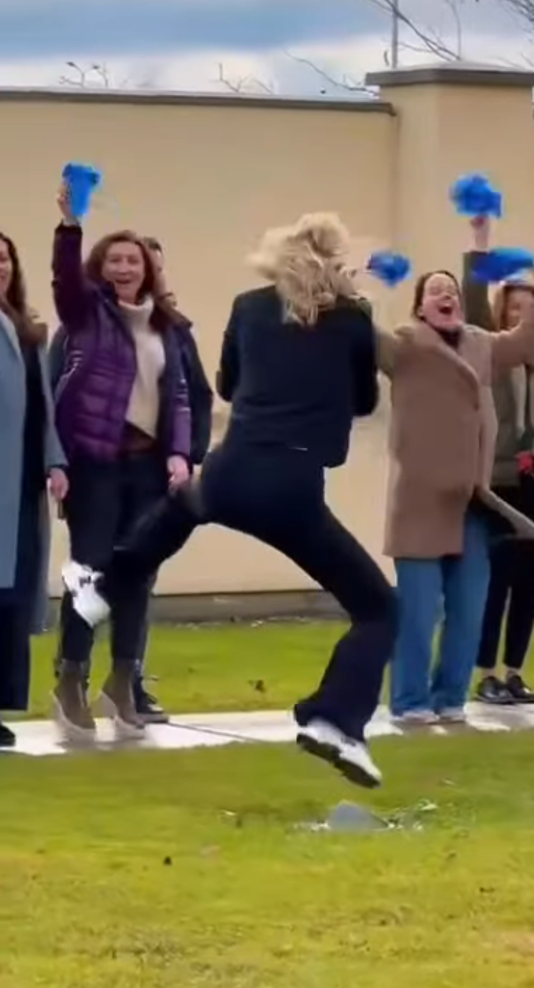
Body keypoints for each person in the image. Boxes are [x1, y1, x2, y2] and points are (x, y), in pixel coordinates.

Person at [62, 212, 398, 789]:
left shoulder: (249, 305)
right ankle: (336, 720)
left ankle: (102, 586)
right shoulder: (353, 317)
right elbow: (365, 400)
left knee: (183, 507)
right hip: (290, 482)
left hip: (229, 468)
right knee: (379, 609)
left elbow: (227, 382)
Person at [49, 235, 213, 724]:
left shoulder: (167, 326)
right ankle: (71, 678)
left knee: (137, 572)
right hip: (96, 463)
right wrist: (70, 226)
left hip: (148, 466)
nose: (124, 267)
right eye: (114, 259)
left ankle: (123, 681)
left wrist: (181, 453)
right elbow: (64, 280)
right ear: (100, 267)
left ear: (148, 270)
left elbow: (181, 396)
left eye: (133, 260)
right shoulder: (87, 315)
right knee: (90, 571)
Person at [382, 217, 534, 725]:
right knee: (420, 613)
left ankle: (450, 697)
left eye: (451, 289)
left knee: (469, 610)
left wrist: (491, 256)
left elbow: (525, 339)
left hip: (474, 502)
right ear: (419, 307)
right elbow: (362, 334)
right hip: (421, 501)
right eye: (435, 290)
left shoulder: (481, 344)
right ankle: (409, 702)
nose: (446, 295)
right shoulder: (405, 345)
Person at [462, 218, 534, 705]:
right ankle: (485, 673)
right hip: (498, 480)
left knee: (529, 584)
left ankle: (513, 672)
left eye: (530, 308)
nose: (523, 315)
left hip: (532, 482)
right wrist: (480, 245)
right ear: (502, 310)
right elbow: (471, 301)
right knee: (497, 581)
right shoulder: (488, 347)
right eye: (515, 307)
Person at [0, 231, 68, 748]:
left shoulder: (27, 330)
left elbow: (44, 403)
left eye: (4, 259)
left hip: (19, 485)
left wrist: (54, 460)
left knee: (12, 596)